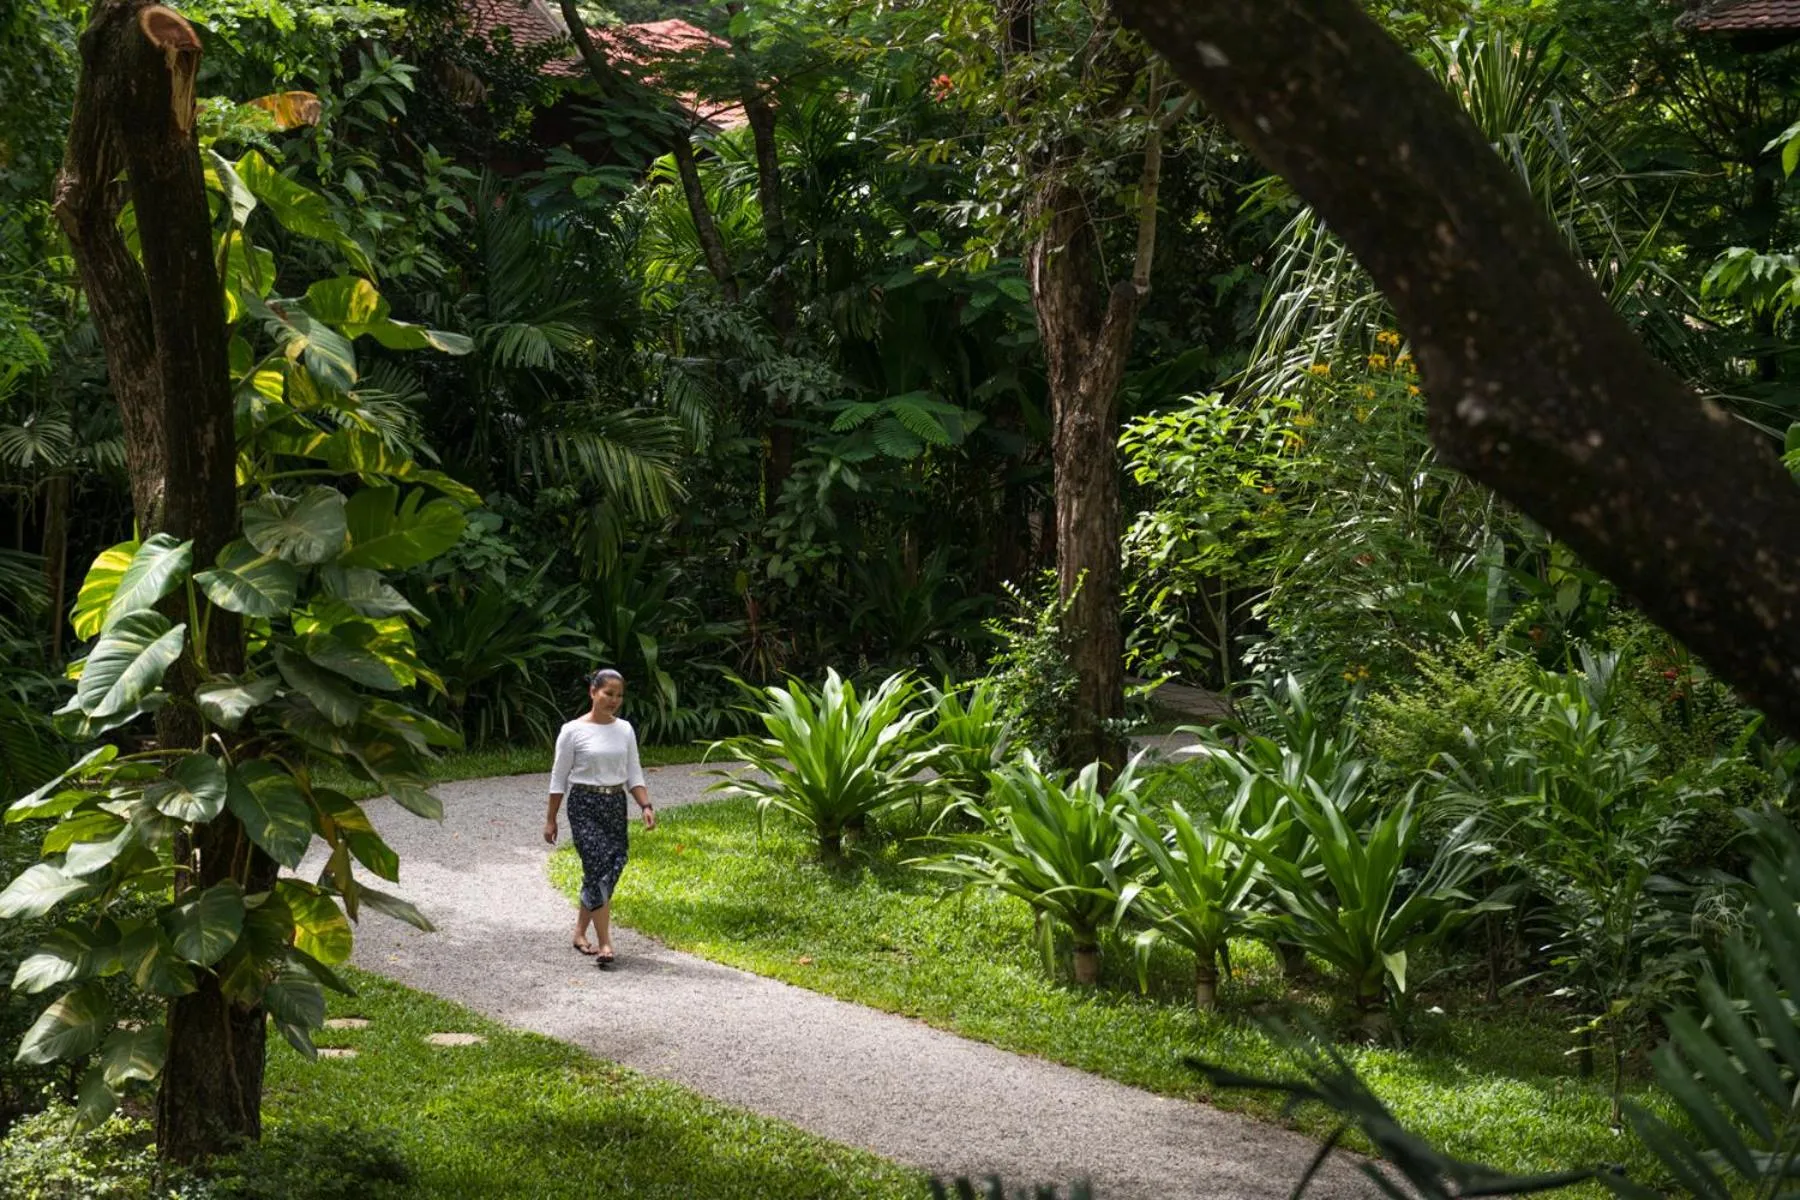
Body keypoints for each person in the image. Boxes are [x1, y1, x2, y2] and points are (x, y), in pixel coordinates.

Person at [543, 668, 655, 967]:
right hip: (584, 804)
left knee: (613, 864)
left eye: (619, 695)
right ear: (593, 692)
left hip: (615, 804)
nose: (614, 700)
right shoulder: (572, 731)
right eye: (608, 693)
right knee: (596, 866)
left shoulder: (626, 730)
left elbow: (634, 773)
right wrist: (551, 819)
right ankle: (606, 942)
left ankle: (580, 932)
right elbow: (558, 779)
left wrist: (645, 805)